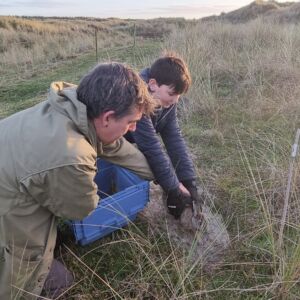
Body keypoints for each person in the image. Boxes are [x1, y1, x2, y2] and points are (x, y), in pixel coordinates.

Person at [0, 62, 155, 299]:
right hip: (9, 192)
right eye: (130, 122)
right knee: (31, 258)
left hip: (10, 159)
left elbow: (114, 146)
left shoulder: (74, 106)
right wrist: (85, 176)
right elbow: (80, 209)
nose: (133, 128)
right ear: (108, 118)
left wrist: (161, 175)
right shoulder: (72, 157)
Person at [125, 53, 202, 219]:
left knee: (162, 170)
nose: (175, 101)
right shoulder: (137, 98)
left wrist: (188, 180)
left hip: (135, 139)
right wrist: (174, 189)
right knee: (149, 168)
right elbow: (151, 147)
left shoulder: (165, 99)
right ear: (153, 84)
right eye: (171, 94)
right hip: (113, 139)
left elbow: (173, 136)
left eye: (178, 97)